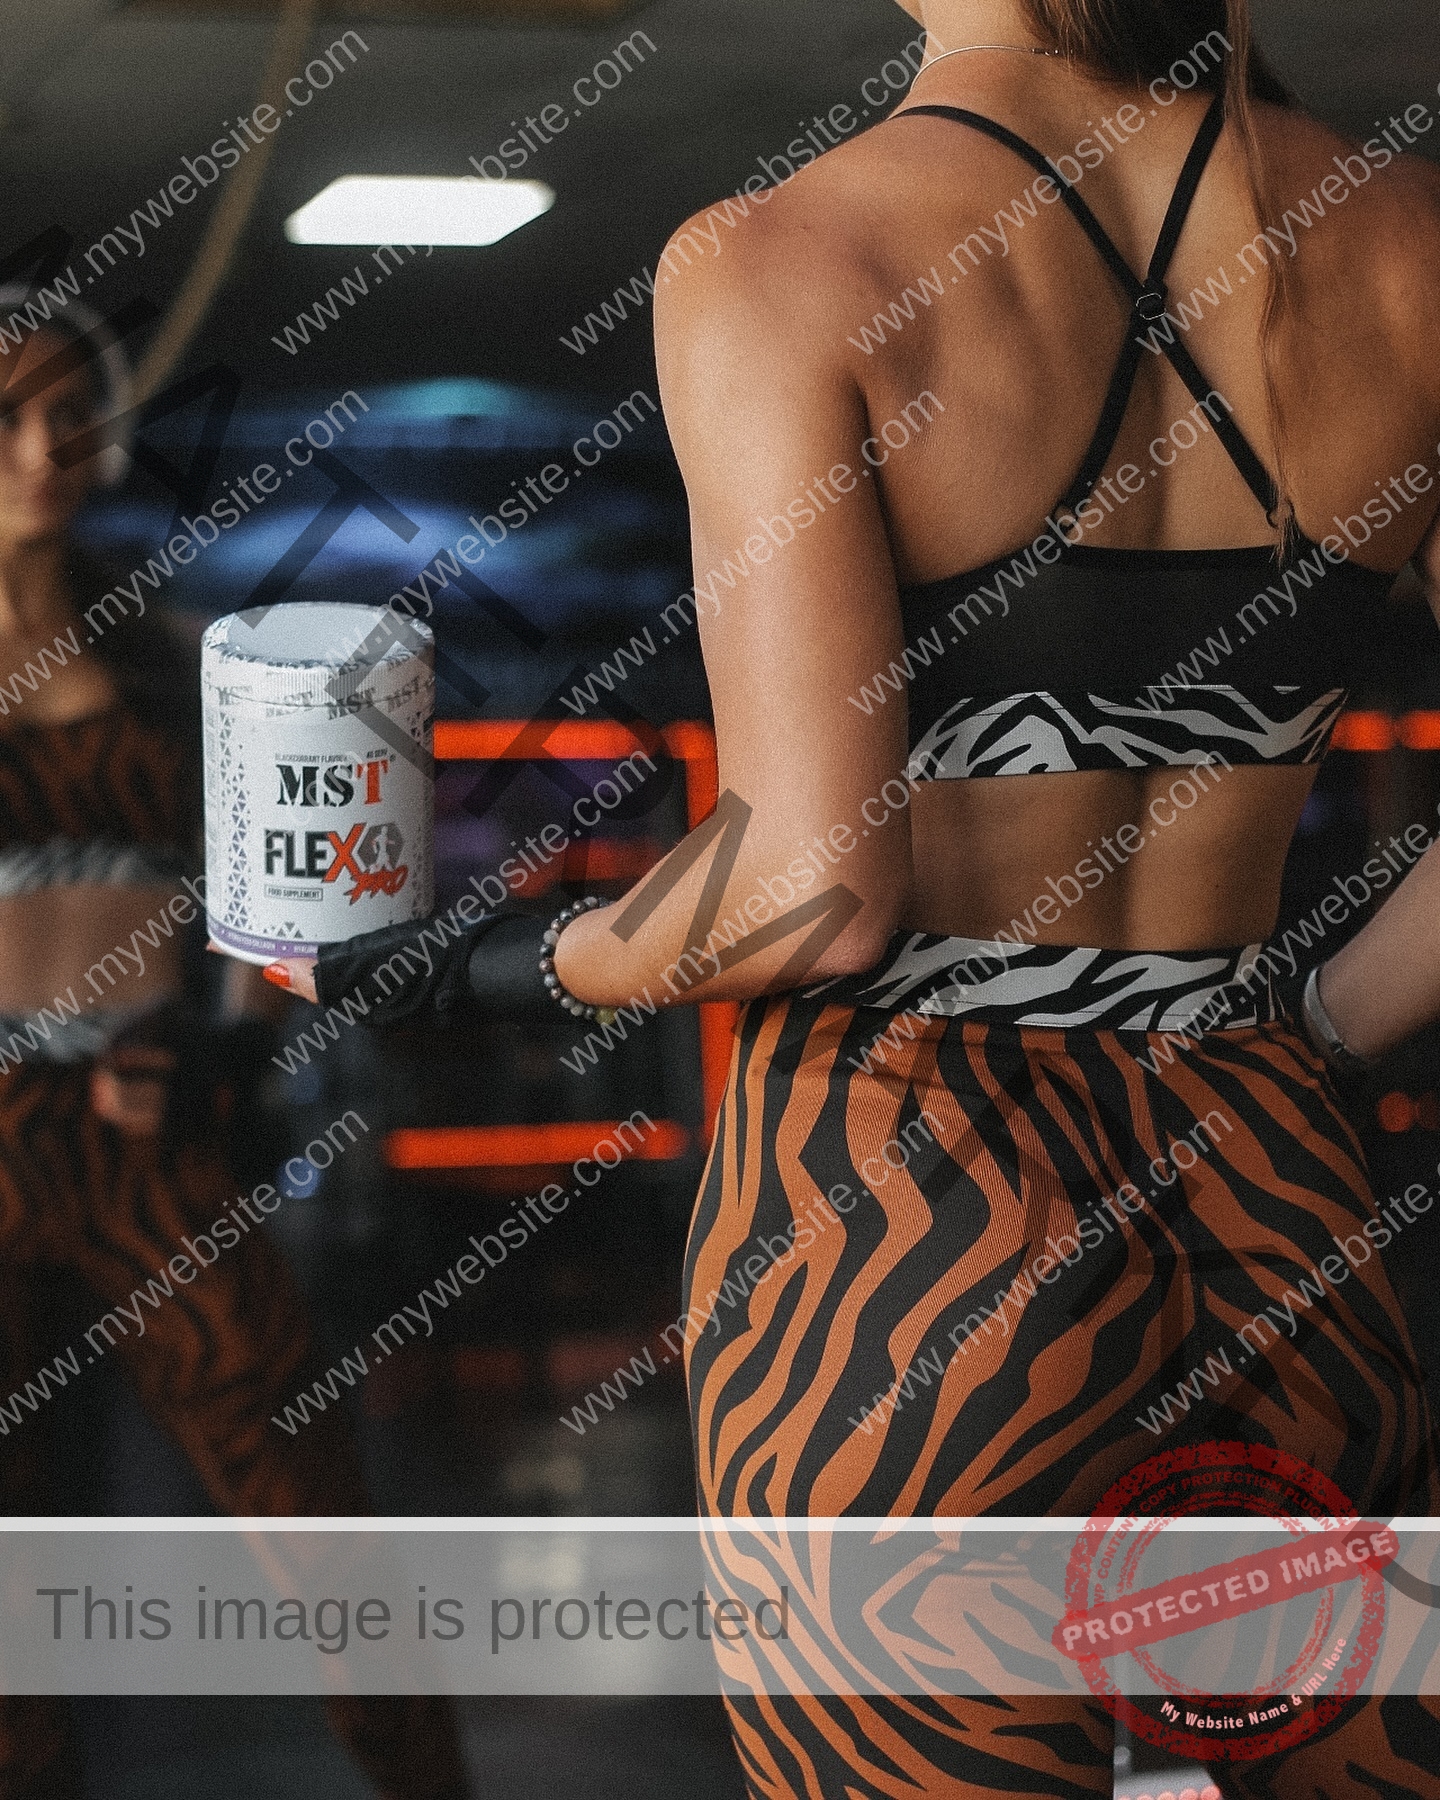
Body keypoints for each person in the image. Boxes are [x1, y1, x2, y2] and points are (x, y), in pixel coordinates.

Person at [274, 0, 1440, 1790]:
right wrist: (1312, 1026)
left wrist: (480, 961)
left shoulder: (787, 256)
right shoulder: (1406, 240)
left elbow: (813, 889)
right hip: (1272, 1178)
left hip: (903, 1212)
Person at [0, 305, 470, 1799]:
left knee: (313, 1510)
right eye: (7, 414)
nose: (42, 448)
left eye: (70, 412)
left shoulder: (168, 655)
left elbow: (283, 897)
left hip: (155, 1126)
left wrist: (222, 1055)